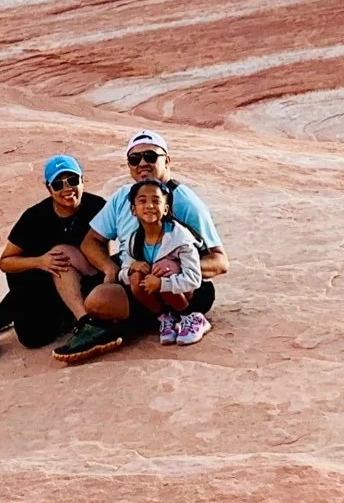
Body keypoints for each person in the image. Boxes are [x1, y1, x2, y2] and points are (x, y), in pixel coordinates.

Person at [54, 131, 228, 362]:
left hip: (180, 286)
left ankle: (139, 324)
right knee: (85, 282)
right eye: (135, 159)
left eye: (150, 156)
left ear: (167, 161)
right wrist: (110, 269)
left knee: (110, 294)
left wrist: (176, 269)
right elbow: (91, 241)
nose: (142, 163)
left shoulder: (183, 200)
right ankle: (143, 319)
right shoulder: (124, 196)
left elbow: (220, 261)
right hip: (139, 278)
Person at [0, 154, 105, 362]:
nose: (67, 189)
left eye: (72, 180)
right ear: (48, 188)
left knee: (62, 258)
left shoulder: (97, 206)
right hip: (36, 282)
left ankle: (82, 320)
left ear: (82, 180)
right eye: (58, 184)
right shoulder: (34, 218)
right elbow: (5, 261)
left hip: (80, 272)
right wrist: (40, 261)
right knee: (33, 338)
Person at [112, 177, 207, 346]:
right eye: (142, 201)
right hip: (157, 294)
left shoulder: (180, 238)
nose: (149, 206)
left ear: (165, 209)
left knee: (165, 267)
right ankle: (166, 317)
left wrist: (162, 283)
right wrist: (132, 267)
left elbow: (194, 278)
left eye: (156, 201)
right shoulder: (134, 239)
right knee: (135, 276)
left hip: (186, 294)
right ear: (133, 210)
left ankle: (191, 317)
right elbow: (123, 273)